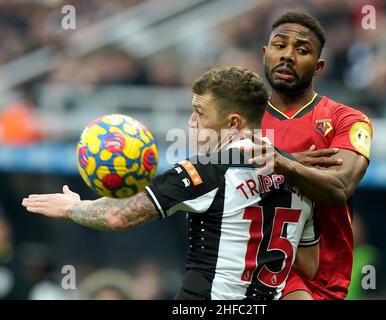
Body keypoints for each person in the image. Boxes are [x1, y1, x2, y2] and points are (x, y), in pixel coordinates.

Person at [22, 66, 319, 300]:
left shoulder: (207, 170)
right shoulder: (298, 173)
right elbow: (308, 262)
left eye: (200, 113)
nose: (192, 122)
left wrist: (74, 207)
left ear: (234, 123)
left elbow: (117, 215)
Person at [248, 12, 373, 300]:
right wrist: (292, 161)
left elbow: (338, 188)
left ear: (318, 66)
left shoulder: (348, 120)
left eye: (301, 50)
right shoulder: (242, 118)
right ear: (265, 54)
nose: (288, 56)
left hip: (325, 281)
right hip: (255, 271)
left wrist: (279, 162)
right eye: (280, 46)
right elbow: (217, 176)